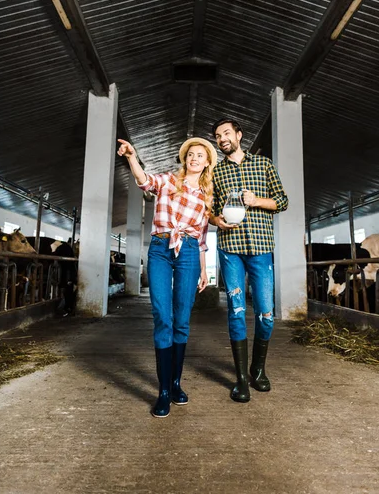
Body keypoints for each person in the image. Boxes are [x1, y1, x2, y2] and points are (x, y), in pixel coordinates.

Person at [117, 137, 217, 418]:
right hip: (160, 248)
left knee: (182, 318)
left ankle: (175, 384)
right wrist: (131, 157)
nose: (195, 158)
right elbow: (143, 181)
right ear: (185, 159)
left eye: (200, 155)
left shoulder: (207, 196)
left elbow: (201, 239)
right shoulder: (169, 180)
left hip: (187, 252)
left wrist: (205, 270)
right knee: (163, 316)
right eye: (191, 154)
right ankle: (162, 391)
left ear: (207, 162)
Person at [209, 118, 288, 403]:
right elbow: (209, 210)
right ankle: (242, 380)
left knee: (266, 314)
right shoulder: (215, 172)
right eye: (218, 136)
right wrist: (215, 219)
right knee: (237, 311)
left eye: (226, 133)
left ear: (239, 135)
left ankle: (258, 368)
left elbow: (282, 200)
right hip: (230, 249)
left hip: (261, 247)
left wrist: (256, 201)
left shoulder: (264, 165)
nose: (222, 139)